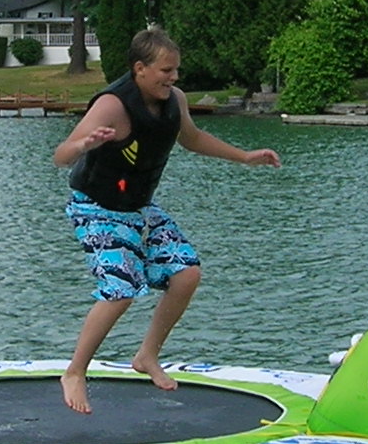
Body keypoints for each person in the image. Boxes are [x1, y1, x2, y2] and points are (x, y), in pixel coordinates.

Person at [51, 26, 280, 413]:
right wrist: (84, 144)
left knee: (187, 273)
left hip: (139, 208)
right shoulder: (112, 105)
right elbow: (61, 155)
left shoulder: (175, 100)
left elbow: (190, 139)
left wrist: (244, 156)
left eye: (176, 71)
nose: (174, 78)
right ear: (140, 69)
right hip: (96, 207)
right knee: (121, 288)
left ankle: (146, 356)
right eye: (166, 70)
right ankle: (75, 371)